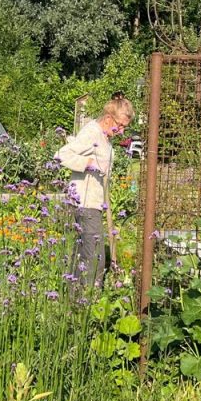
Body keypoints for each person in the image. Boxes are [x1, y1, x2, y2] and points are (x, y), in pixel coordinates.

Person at [55, 96, 135, 290]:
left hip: (94, 203)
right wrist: (88, 163)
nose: (121, 131)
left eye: (124, 127)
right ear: (108, 118)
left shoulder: (105, 138)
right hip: (84, 202)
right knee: (94, 257)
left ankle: (73, 297)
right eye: (120, 125)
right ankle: (88, 297)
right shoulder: (92, 132)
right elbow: (62, 155)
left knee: (83, 253)